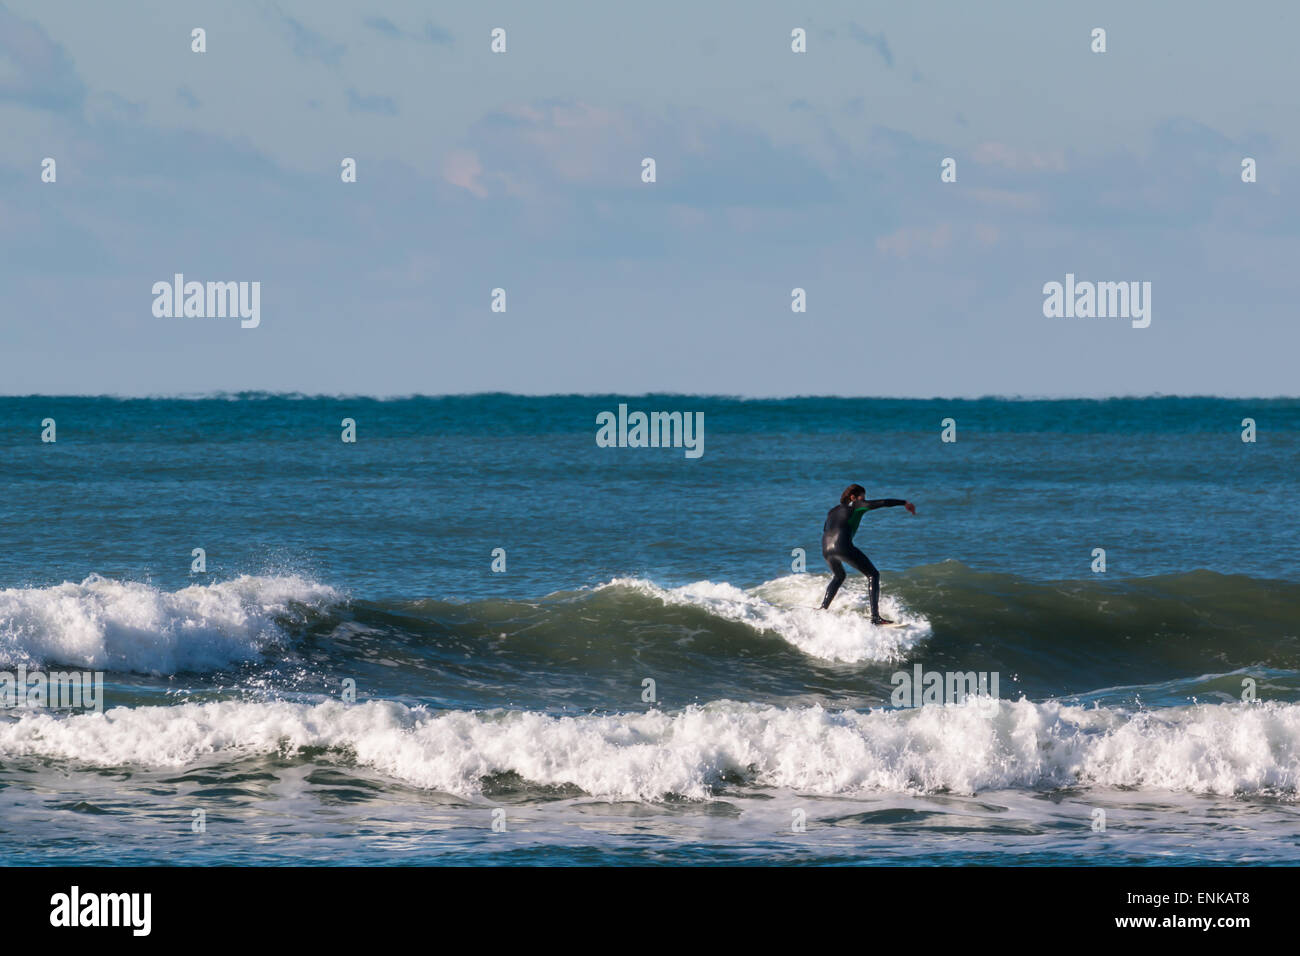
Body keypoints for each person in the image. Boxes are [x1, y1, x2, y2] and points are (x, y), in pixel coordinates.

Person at [819, 483, 916, 621]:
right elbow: (881, 503)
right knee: (873, 575)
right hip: (841, 546)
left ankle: (823, 609)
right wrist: (904, 503)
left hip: (826, 549)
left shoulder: (832, 511)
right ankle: (875, 617)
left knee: (839, 576)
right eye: (863, 497)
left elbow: (825, 529)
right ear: (853, 497)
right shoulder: (856, 505)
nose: (864, 500)